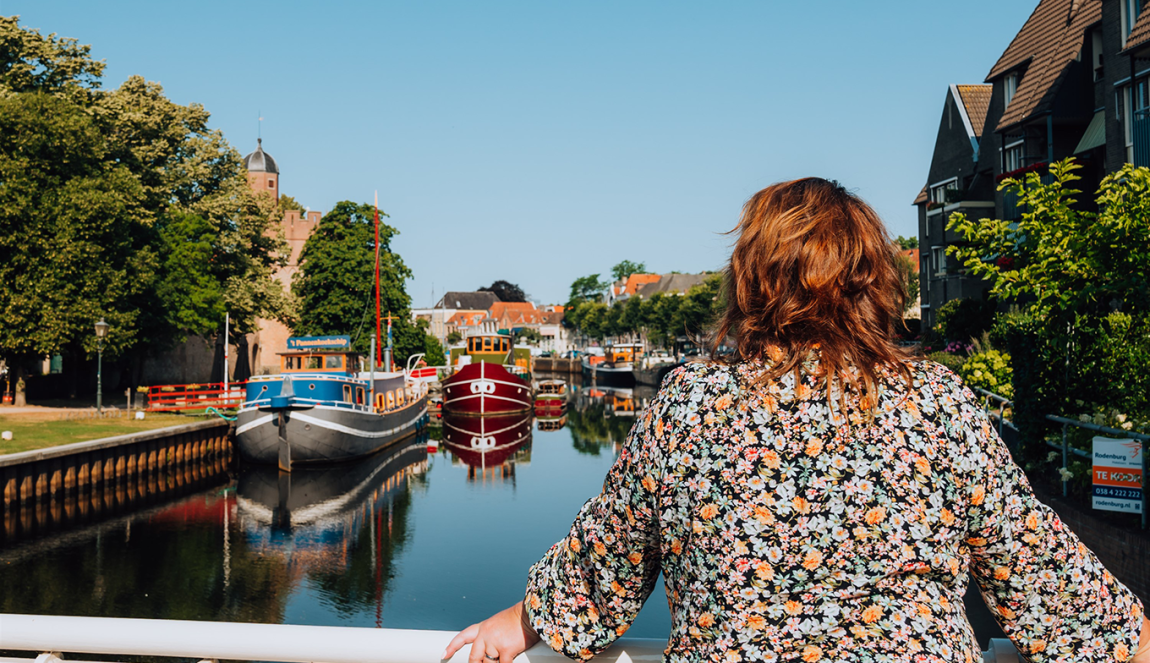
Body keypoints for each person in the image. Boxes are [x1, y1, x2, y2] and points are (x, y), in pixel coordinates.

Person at [444, 178, 1149, 662]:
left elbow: (605, 569)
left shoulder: (691, 406)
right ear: (876, 281)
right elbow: (1049, 585)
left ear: (750, 280)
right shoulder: (939, 405)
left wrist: (521, 621)